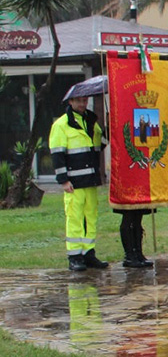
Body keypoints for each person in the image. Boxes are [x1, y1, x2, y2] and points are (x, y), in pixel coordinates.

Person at [51, 94, 109, 271]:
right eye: (79, 101)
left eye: (85, 101)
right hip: (73, 182)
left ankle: (88, 253)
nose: (83, 104)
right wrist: (63, 180)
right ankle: (74, 257)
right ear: (70, 101)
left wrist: (108, 130)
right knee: (75, 218)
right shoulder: (61, 125)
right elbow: (57, 155)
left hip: (90, 180)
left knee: (90, 217)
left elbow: (100, 145)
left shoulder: (91, 122)